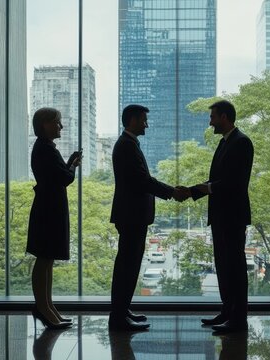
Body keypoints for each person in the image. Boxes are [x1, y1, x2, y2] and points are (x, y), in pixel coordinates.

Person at [109, 104, 187, 331]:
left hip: (132, 215)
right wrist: (172, 191)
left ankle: (122, 311)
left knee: (129, 265)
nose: (147, 124)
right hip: (131, 215)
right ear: (133, 120)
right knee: (127, 266)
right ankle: (119, 317)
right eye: (144, 120)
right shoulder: (126, 146)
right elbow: (142, 181)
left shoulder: (129, 144)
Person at [187, 100, 254, 334]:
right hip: (221, 216)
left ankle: (238, 320)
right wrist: (193, 191)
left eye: (213, 117)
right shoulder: (226, 142)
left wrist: (205, 189)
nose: (210, 122)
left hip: (232, 216)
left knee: (234, 268)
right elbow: (217, 179)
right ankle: (228, 312)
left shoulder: (242, 142)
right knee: (224, 267)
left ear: (224, 117)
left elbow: (236, 183)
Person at [27, 107, 80, 330]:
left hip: (49, 206)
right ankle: (44, 307)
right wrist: (72, 165)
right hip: (49, 208)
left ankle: (47, 306)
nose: (61, 126)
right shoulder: (46, 149)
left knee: (46, 259)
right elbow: (65, 178)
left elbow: (59, 176)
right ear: (45, 124)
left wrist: (69, 164)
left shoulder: (45, 148)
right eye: (57, 122)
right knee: (44, 259)